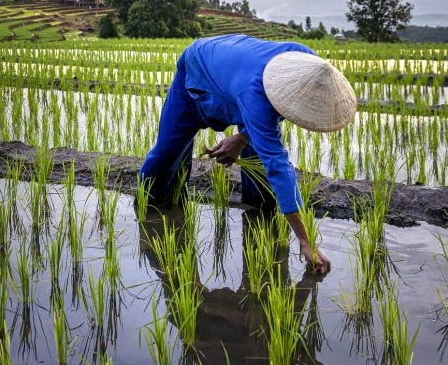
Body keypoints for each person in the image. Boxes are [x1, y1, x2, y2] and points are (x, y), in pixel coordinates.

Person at [139, 34, 357, 275]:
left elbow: (273, 113)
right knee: (167, 153)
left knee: (259, 160)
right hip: (198, 66)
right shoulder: (254, 95)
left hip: (238, 75)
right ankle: (148, 206)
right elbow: (278, 166)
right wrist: (307, 242)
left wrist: (242, 137)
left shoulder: (308, 63)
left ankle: (260, 211)